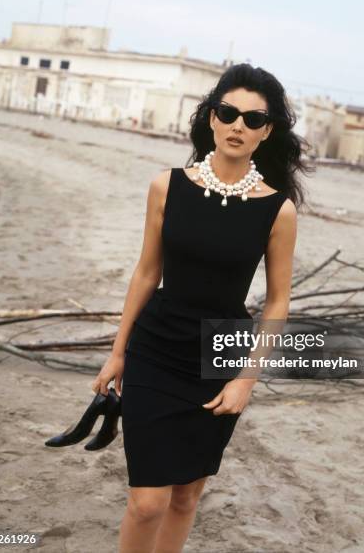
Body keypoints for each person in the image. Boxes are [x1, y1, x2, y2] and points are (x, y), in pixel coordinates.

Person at [91, 63, 312, 553]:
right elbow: (147, 273)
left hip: (221, 355)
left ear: (267, 132)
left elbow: (278, 300)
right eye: (229, 113)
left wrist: (245, 380)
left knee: (187, 497)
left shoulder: (278, 209)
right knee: (147, 502)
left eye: (254, 120)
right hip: (156, 347)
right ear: (211, 117)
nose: (239, 126)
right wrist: (118, 351)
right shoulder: (166, 186)